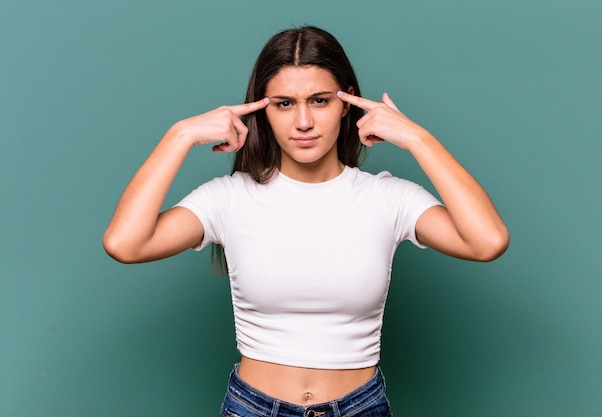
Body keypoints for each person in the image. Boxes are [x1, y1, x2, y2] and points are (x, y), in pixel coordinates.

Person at [103, 26, 509, 417]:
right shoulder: (229, 197)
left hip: (360, 408)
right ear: (262, 110)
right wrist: (178, 135)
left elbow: (486, 241)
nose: (302, 123)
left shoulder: (388, 198)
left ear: (347, 103)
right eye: (284, 103)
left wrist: (420, 139)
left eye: (319, 100)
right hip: (252, 408)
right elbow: (126, 244)